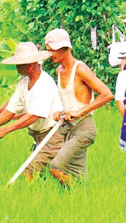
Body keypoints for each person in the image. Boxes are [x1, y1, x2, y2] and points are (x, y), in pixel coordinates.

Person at [0, 42, 63, 181]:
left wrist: (6, 129)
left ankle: (76, 187)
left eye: (18, 64)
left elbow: (34, 116)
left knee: (30, 174)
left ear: (29, 66)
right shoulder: (24, 83)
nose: (16, 67)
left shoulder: (44, 84)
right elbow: (10, 111)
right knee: (48, 174)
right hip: (38, 135)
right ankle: (71, 187)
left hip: (52, 135)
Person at [44, 28, 114, 184]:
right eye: (48, 50)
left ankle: (76, 190)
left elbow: (107, 94)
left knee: (56, 167)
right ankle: (79, 193)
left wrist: (80, 112)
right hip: (68, 127)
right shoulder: (59, 70)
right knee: (75, 174)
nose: (50, 54)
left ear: (65, 48)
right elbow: (68, 100)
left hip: (84, 128)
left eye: (53, 50)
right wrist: (60, 112)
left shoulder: (80, 69)